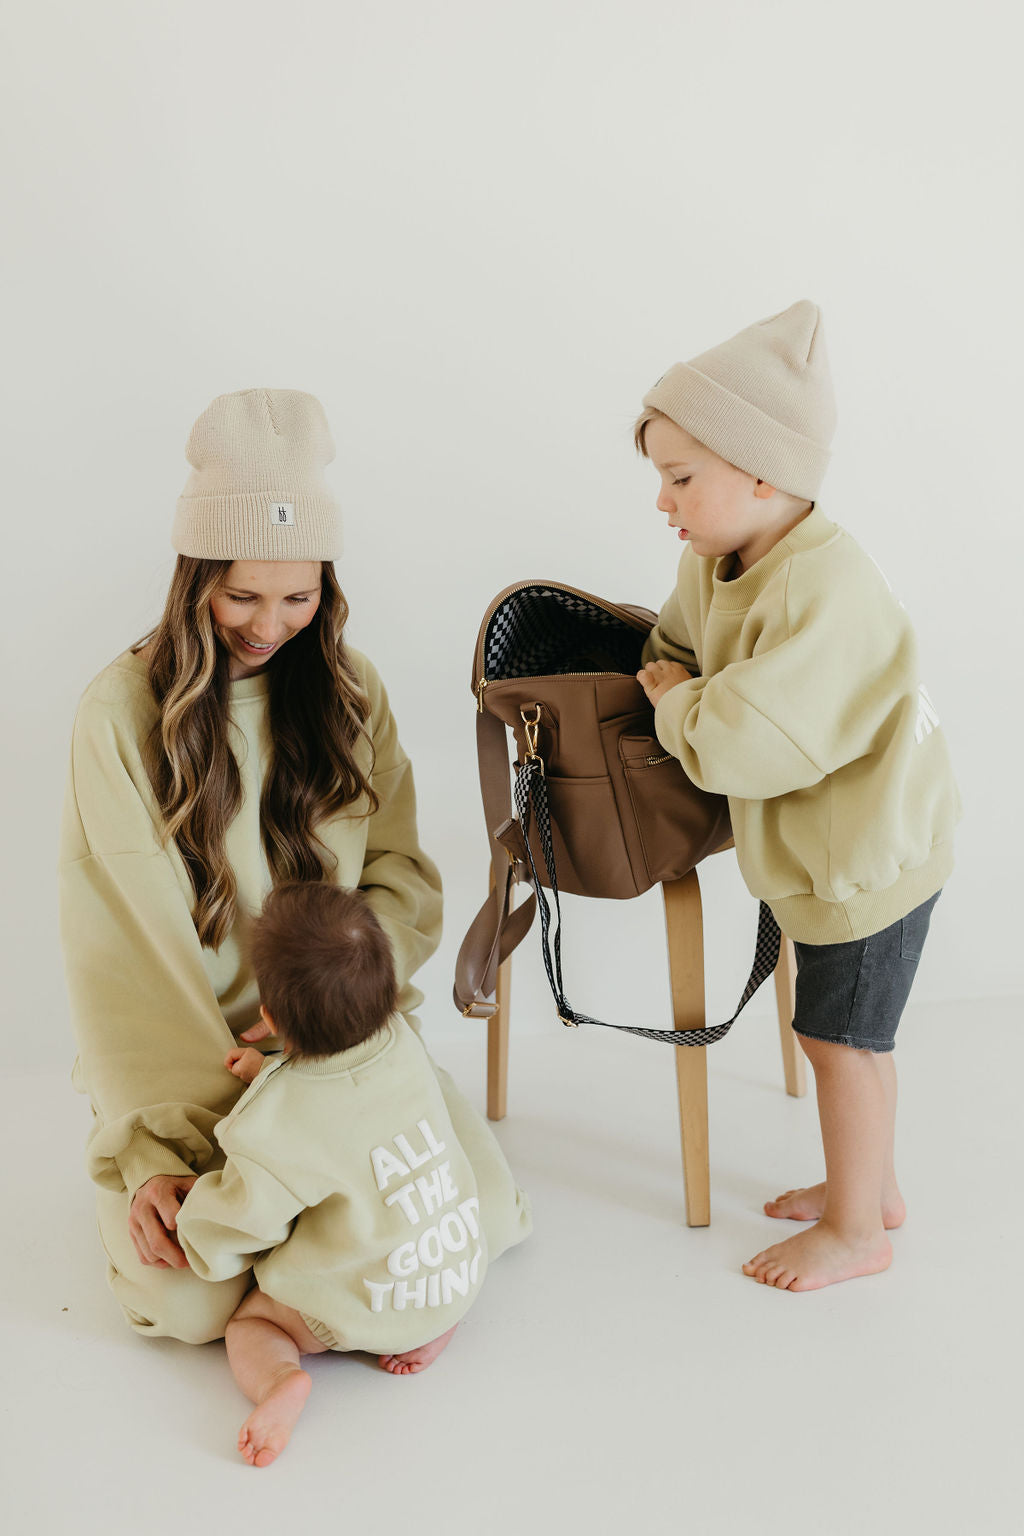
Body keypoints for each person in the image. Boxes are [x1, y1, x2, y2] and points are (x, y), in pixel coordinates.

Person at [59, 387, 530, 1343]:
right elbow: (122, 951)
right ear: (194, 579)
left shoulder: (352, 691)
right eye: (241, 595)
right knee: (187, 1301)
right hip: (193, 1056)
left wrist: (329, 1015)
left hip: (334, 1042)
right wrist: (154, 1148)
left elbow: (400, 878)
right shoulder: (117, 716)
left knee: (470, 1222)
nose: (270, 624)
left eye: (299, 596)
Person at [633, 301, 960, 1292]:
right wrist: (686, 692)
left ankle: (860, 1231)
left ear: (762, 471)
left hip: (872, 858)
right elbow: (671, 651)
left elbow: (743, 740)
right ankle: (871, 1189)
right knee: (840, 1034)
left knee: (838, 1039)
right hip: (828, 848)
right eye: (657, 477)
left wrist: (683, 707)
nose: (663, 503)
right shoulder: (721, 560)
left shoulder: (827, 591)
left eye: (680, 477)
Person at [176, 881, 517, 1467]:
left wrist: (194, 1214)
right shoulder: (403, 1044)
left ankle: (280, 1381)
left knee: (252, 1327)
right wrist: (276, 1071)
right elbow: (348, 1097)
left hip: (362, 1303)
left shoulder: (276, 1126)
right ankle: (436, 1326)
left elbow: (238, 1221)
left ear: (268, 1015)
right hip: (454, 1274)